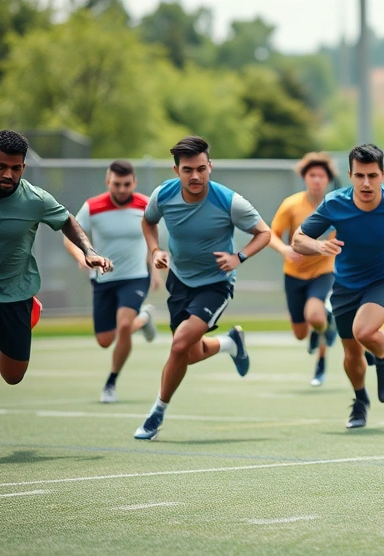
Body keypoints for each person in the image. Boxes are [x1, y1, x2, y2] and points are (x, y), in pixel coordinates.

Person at [0, 130, 111, 460]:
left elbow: (67, 220)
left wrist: (88, 251)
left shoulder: (35, 199)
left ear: (23, 167)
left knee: (13, 376)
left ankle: (27, 312)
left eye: (16, 168)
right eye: (1, 167)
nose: (8, 174)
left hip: (17, 292)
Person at [133, 136, 272, 440]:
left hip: (215, 284)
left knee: (180, 344)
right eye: (187, 170)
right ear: (176, 170)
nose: (195, 176)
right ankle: (230, 343)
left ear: (210, 167)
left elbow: (264, 233)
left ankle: (156, 414)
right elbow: (148, 222)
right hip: (180, 282)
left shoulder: (230, 201)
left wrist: (239, 257)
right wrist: (155, 251)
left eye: (200, 169)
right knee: (188, 353)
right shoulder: (163, 195)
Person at [292, 144, 384, 429]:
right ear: (350, 175)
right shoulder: (335, 203)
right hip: (346, 283)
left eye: (372, 175)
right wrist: (319, 245)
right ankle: (360, 400)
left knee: (364, 331)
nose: (366, 183)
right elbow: (298, 239)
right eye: (359, 176)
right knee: (351, 353)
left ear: (383, 174)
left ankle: (382, 356)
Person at [63, 160, 161, 404]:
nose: (121, 189)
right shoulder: (92, 207)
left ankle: (111, 382)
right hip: (104, 279)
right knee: (105, 340)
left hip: (136, 277)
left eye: (127, 184)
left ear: (134, 183)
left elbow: (152, 237)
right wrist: (82, 256)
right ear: (108, 182)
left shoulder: (145, 205)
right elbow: (70, 236)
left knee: (124, 326)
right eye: (116, 184)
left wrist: (156, 270)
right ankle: (145, 318)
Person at [269, 152, 339, 387]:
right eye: (312, 175)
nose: (317, 180)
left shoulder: (336, 205)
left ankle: (321, 362)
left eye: (321, 176)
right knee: (300, 332)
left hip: (323, 271)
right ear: (305, 178)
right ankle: (324, 326)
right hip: (294, 273)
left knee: (315, 315)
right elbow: (272, 235)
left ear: (328, 179)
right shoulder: (291, 205)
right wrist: (286, 250)